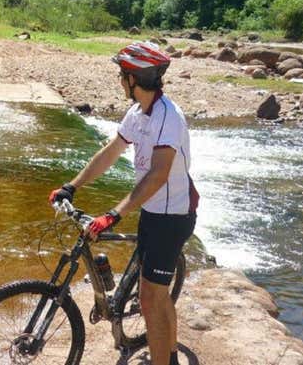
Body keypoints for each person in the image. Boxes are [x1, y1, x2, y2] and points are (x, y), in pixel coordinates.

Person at [48, 41, 198, 365]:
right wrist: (71, 186)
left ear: (133, 78)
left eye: (122, 74)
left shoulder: (167, 117)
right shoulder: (138, 113)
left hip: (172, 217)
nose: (119, 80)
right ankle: (169, 356)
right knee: (156, 294)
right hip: (153, 211)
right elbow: (111, 152)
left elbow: (158, 175)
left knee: (149, 299)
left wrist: (114, 214)